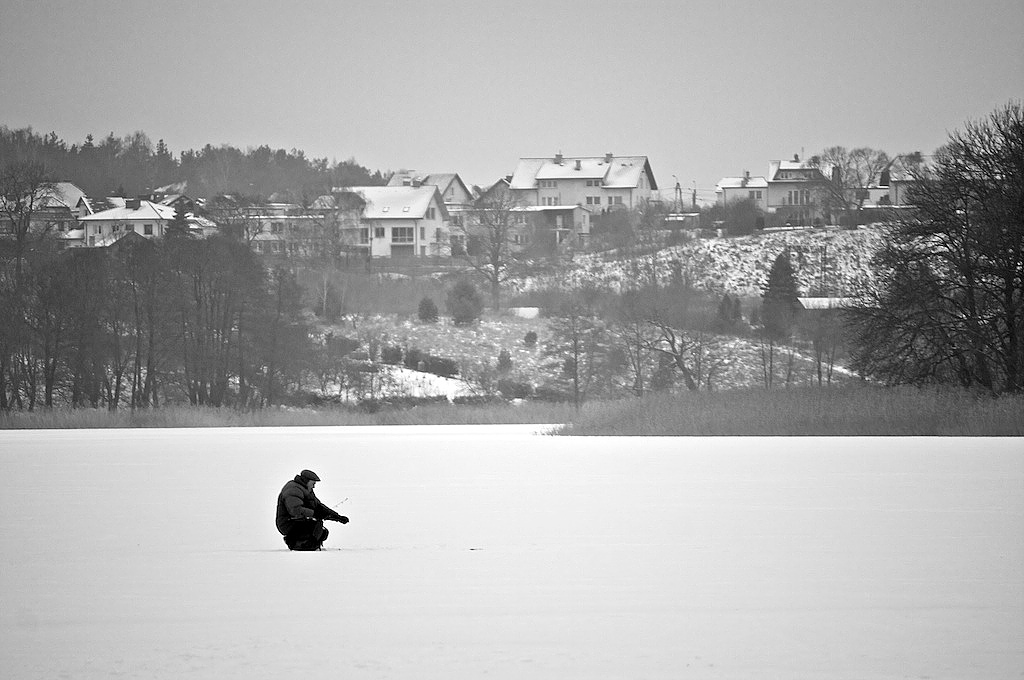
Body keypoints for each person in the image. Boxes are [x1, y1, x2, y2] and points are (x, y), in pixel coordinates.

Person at [276, 469, 349, 551]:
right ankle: (299, 545)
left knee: (323, 532)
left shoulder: (306, 490)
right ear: (306, 481)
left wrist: (337, 517)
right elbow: (295, 510)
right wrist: (315, 514)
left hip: (299, 521)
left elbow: (319, 507)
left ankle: (307, 545)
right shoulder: (293, 489)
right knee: (315, 526)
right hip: (288, 523)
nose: (314, 486)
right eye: (313, 483)